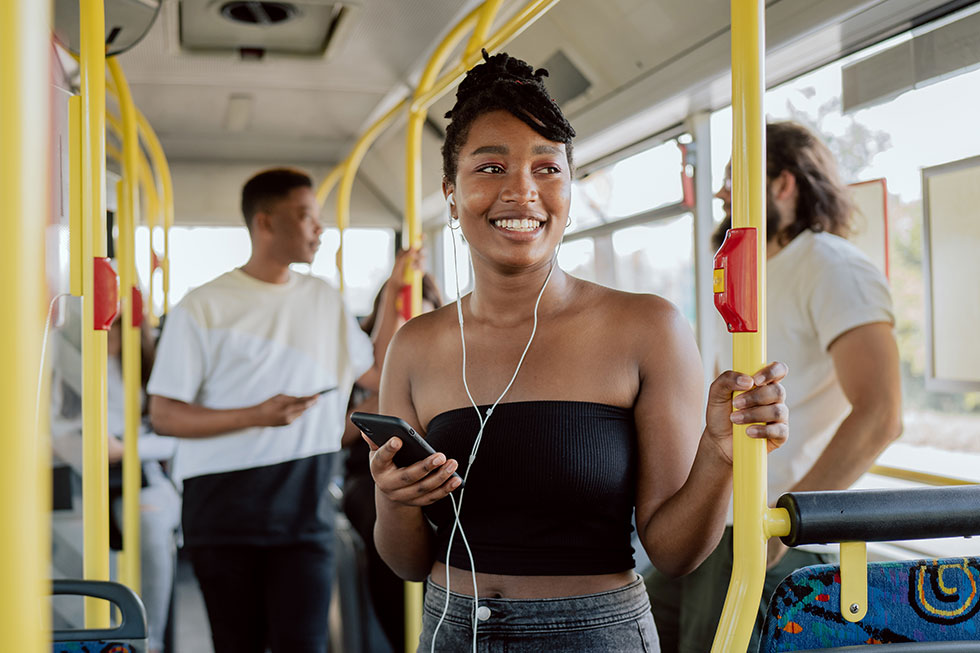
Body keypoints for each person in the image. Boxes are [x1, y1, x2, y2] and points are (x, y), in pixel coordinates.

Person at [363, 50, 790, 653]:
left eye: (546, 168)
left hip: (597, 634)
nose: (521, 192)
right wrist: (392, 497)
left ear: (567, 187)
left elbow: (673, 554)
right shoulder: (416, 344)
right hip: (451, 629)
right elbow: (405, 562)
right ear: (451, 196)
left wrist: (719, 453)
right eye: (490, 168)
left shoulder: (647, 327)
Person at [646, 121, 904, 653]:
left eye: (733, 178)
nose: (720, 193)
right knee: (637, 625)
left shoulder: (831, 267)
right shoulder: (753, 277)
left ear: (783, 185)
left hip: (773, 534)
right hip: (720, 521)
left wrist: (785, 528)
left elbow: (881, 414)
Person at [146, 168, 401, 653]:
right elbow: (165, 415)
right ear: (265, 224)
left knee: (304, 643)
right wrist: (256, 415)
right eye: (306, 217)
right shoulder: (204, 306)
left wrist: (396, 290)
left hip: (305, 504)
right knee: (237, 642)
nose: (318, 230)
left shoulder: (324, 299)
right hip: (224, 507)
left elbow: (377, 373)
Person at [50, 302, 180, 653]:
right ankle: (86, 633)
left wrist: (125, 449)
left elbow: (173, 437)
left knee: (150, 530)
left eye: (117, 323)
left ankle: (149, 638)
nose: (108, 332)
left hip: (139, 472)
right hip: (76, 471)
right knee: (70, 541)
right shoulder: (60, 367)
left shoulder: (149, 369)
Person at [341, 267, 443, 652]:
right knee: (376, 512)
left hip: (433, 469)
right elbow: (341, 434)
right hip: (367, 476)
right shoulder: (363, 367)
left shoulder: (451, 362)